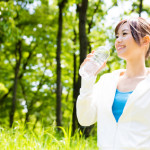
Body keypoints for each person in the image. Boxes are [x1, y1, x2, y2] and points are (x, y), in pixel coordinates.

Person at [76, 17, 150, 150]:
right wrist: (87, 79)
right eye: (117, 36)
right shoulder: (107, 81)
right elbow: (85, 118)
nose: (118, 40)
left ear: (145, 41)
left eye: (124, 34)